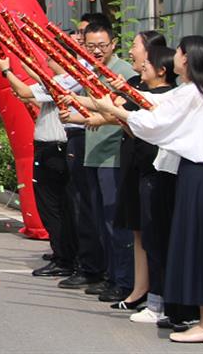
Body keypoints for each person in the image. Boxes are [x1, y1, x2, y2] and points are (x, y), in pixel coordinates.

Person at [86, 35, 203, 344]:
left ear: (187, 59)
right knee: (196, 247)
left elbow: (156, 122)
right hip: (196, 175)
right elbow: (156, 103)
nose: (174, 55)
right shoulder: (195, 90)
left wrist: (116, 110)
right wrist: (118, 95)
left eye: (178, 51)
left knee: (199, 248)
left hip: (197, 176)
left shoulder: (194, 92)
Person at [66, 21, 136, 302]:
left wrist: (96, 118)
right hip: (93, 153)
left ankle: (124, 280)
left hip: (114, 156)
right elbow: (91, 110)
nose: (96, 51)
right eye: (90, 46)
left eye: (101, 45)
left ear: (113, 44)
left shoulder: (123, 74)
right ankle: (111, 275)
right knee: (99, 221)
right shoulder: (91, 73)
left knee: (114, 222)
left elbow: (129, 115)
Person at [0, 51, 78, 277]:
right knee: (57, 206)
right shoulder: (62, 81)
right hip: (53, 149)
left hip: (54, 150)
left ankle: (64, 258)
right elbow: (36, 89)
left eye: (51, 57)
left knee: (52, 206)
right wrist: (23, 64)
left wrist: (6, 71)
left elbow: (26, 89)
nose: (47, 61)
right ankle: (62, 252)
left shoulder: (64, 82)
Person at [109, 30, 169, 313]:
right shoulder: (134, 84)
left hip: (154, 166)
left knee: (152, 232)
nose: (131, 51)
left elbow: (135, 120)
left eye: (134, 45)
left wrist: (112, 108)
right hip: (135, 162)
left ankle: (157, 296)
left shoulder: (169, 95)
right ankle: (140, 289)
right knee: (138, 229)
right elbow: (123, 118)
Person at [58, 14, 111, 291]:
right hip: (89, 144)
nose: (81, 40)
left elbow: (109, 111)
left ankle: (100, 270)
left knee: (99, 213)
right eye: (85, 40)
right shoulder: (87, 70)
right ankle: (93, 267)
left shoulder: (115, 73)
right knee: (87, 209)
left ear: (112, 43)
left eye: (95, 42)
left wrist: (79, 114)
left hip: (106, 150)